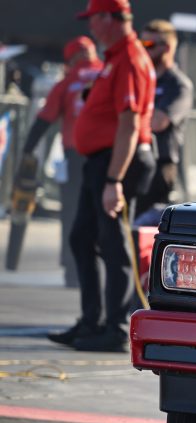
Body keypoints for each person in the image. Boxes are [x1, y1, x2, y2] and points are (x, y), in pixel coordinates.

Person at [47, 0, 156, 352]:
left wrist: (114, 181)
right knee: (82, 238)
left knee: (113, 246)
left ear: (108, 18)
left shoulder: (130, 59)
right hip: (101, 161)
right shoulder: (115, 58)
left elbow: (129, 123)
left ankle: (114, 328)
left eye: (93, 19)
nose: (90, 27)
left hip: (116, 163)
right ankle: (92, 321)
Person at [19, 36, 103, 287]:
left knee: (72, 213)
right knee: (102, 214)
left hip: (75, 157)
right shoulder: (107, 75)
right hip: (105, 157)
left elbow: (44, 120)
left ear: (71, 59)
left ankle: (72, 270)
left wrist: (27, 153)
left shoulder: (67, 82)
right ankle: (101, 271)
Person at [134, 19, 193, 223]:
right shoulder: (140, 78)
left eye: (148, 45)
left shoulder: (178, 84)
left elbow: (159, 122)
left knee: (146, 228)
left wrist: (131, 114)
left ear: (166, 47)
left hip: (161, 167)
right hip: (134, 160)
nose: (143, 49)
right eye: (140, 44)